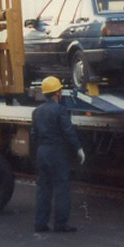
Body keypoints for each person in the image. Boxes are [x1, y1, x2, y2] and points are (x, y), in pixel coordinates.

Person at [32, 76, 85, 233]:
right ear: (57, 93)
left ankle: (40, 224)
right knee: (61, 188)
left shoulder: (37, 111)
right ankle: (60, 224)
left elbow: (33, 135)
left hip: (42, 151)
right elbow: (68, 132)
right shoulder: (60, 110)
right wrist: (78, 149)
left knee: (43, 189)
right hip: (57, 152)